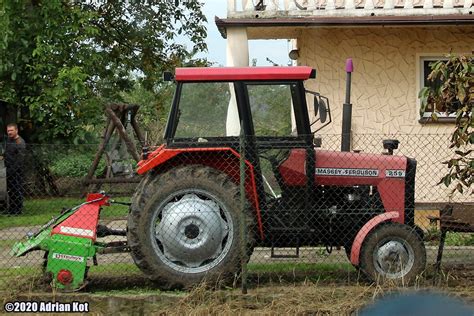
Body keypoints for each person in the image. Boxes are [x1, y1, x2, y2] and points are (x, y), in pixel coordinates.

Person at [5, 123, 26, 215]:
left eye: (11, 130)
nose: (9, 132)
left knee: (17, 190)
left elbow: (20, 160)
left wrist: (12, 171)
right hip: (9, 170)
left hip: (17, 171)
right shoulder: (9, 140)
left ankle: (18, 210)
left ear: (16, 130)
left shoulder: (20, 142)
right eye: (8, 130)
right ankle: (11, 210)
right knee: (10, 191)